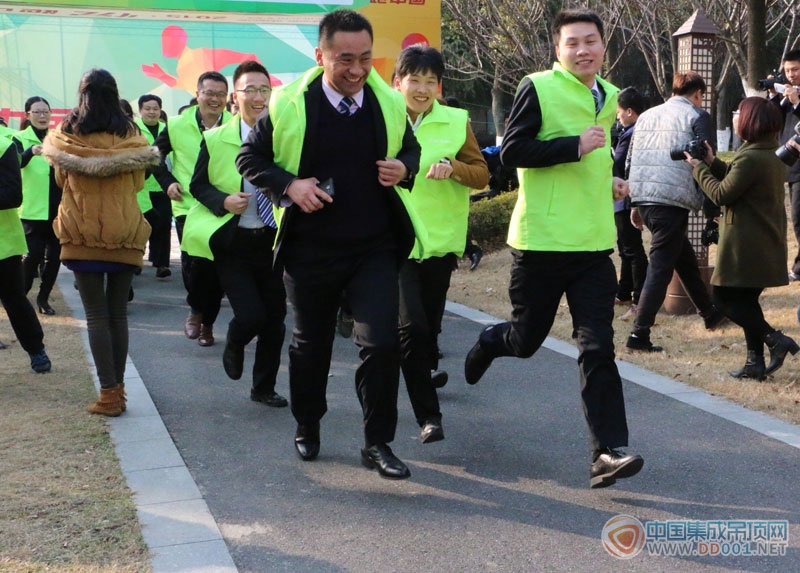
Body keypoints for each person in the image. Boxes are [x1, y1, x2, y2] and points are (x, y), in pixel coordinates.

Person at [237, 9, 422, 480]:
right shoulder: (286, 105)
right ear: (320, 56)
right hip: (310, 248)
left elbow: (410, 149)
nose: (357, 70)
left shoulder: (389, 102)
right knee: (310, 346)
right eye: (344, 59)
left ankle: (377, 441)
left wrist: (405, 167)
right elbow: (249, 157)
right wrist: (289, 186)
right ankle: (308, 422)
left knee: (382, 345)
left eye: (365, 58)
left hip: (373, 247)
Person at [463, 9, 644, 489]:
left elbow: (587, 163)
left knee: (598, 347)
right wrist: (573, 146)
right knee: (526, 342)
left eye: (591, 41)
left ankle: (606, 451)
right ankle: (488, 341)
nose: (583, 50)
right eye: (572, 42)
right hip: (541, 244)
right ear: (557, 48)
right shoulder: (537, 87)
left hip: (592, 247)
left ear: (603, 46)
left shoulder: (605, 95)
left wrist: (610, 181)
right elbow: (514, 152)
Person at [42, 68, 159, 416]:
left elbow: (61, 179)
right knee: (117, 314)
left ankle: (109, 396)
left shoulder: (66, 134)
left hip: (81, 231)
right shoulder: (133, 135)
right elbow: (138, 185)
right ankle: (118, 391)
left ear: (82, 94)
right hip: (125, 230)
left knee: (95, 315)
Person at [393, 45, 489, 443]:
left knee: (428, 329)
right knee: (412, 328)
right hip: (393, 242)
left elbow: (482, 174)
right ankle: (429, 416)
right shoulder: (382, 117)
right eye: (414, 80)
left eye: (430, 81)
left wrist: (453, 169)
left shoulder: (455, 120)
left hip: (439, 244)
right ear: (398, 82)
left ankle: (424, 369)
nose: (421, 89)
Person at [183, 60, 288, 408]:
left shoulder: (285, 137)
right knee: (251, 315)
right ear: (235, 97)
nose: (258, 97)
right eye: (250, 90)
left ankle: (263, 387)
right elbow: (198, 185)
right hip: (234, 242)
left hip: (272, 242)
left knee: (275, 321)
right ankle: (234, 339)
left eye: (264, 89)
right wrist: (223, 200)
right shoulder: (215, 139)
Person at [687, 97, 799, 379]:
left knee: (723, 300)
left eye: (739, 113)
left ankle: (775, 340)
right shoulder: (769, 153)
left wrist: (698, 168)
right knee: (747, 302)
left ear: (750, 121)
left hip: (746, 245)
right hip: (763, 243)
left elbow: (722, 194)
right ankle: (754, 362)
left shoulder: (750, 157)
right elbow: (738, 181)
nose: (735, 117)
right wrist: (712, 161)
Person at [626, 71, 726, 352]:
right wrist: (712, 209)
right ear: (697, 94)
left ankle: (709, 313)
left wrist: (635, 202)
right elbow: (705, 158)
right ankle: (639, 334)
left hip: (645, 196)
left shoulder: (646, 115)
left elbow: (632, 158)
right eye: (701, 97)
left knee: (684, 259)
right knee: (660, 267)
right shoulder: (697, 116)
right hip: (671, 200)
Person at [153, 72, 231, 347]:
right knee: (193, 266)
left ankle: (207, 323)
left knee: (216, 267)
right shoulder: (176, 124)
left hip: (223, 205)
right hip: (187, 205)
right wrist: (167, 182)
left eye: (221, 94)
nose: (215, 99)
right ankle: (196, 310)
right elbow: (154, 156)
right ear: (198, 94)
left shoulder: (236, 125)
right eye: (209, 93)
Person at [0, 126, 51, 373]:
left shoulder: (4, 145)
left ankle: (36, 350)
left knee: (14, 299)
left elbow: (12, 195)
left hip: (3, 244)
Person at [13, 97, 62, 315]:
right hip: (32, 208)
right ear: (27, 115)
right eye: (37, 112)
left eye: (46, 112)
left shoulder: (58, 138)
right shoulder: (19, 138)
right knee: (32, 256)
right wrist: (29, 152)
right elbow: (15, 164)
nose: (42, 116)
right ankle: (20, 297)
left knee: (54, 258)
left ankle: (44, 298)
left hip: (58, 208)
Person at [612, 87, 649, 320]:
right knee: (625, 248)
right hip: (621, 201)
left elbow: (625, 165)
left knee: (633, 250)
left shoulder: (635, 133)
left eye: (618, 111)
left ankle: (640, 300)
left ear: (629, 111)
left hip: (627, 200)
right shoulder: (628, 132)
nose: (616, 116)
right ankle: (624, 292)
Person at [768, 50, 800, 280]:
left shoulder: (795, 97)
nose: (791, 75)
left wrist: (797, 102)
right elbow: (773, 120)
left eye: (796, 69)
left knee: (798, 219)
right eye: (788, 71)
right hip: (788, 163)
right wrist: (773, 95)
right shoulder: (787, 96)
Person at [136, 94, 171, 279]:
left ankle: (162, 264)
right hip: (142, 188)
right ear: (140, 110)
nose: (152, 112)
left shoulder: (169, 129)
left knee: (164, 225)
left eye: (155, 108)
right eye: (148, 108)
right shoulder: (134, 131)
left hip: (165, 186)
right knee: (142, 226)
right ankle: (136, 260)